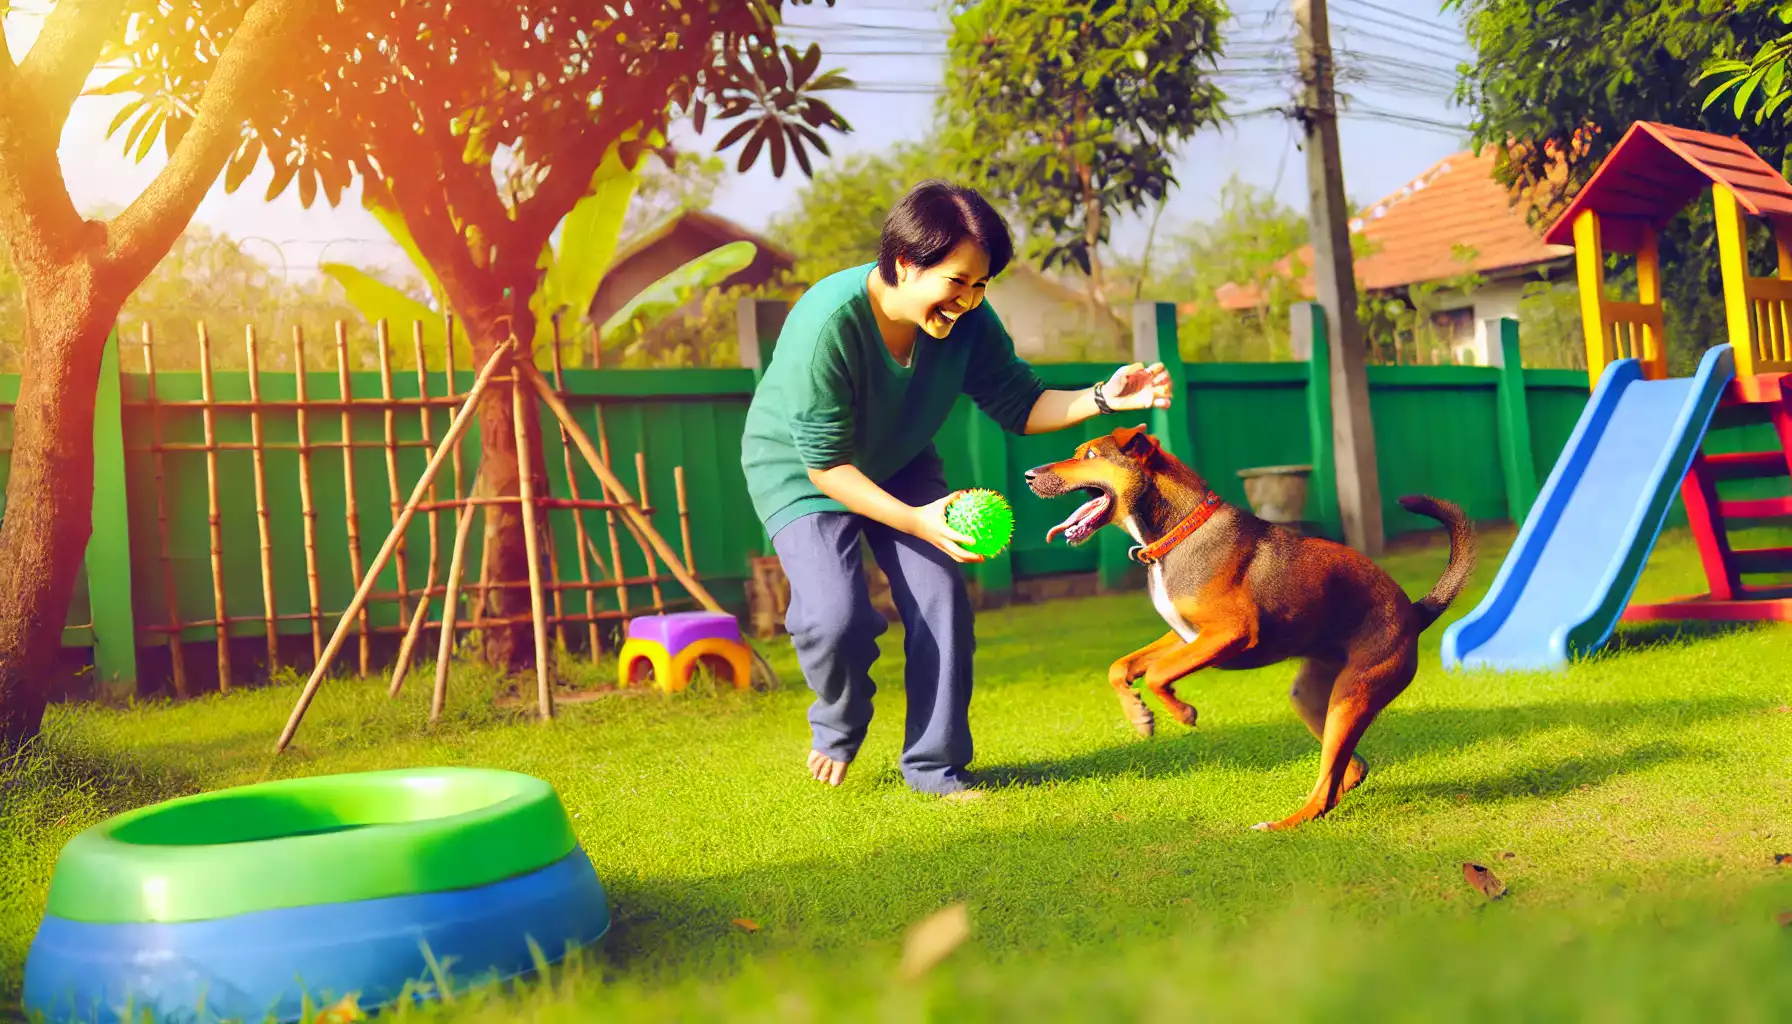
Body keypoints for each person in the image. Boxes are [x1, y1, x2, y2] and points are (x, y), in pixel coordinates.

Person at [740, 179, 1174, 798]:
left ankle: (934, 767)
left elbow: (1020, 403)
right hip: (804, 470)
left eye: (980, 285)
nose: (968, 301)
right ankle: (839, 720)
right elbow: (828, 468)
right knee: (836, 618)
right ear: (902, 265)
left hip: (901, 459)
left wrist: (1101, 397)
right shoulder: (825, 325)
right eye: (956, 281)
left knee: (940, 598)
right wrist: (917, 521)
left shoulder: (968, 322)